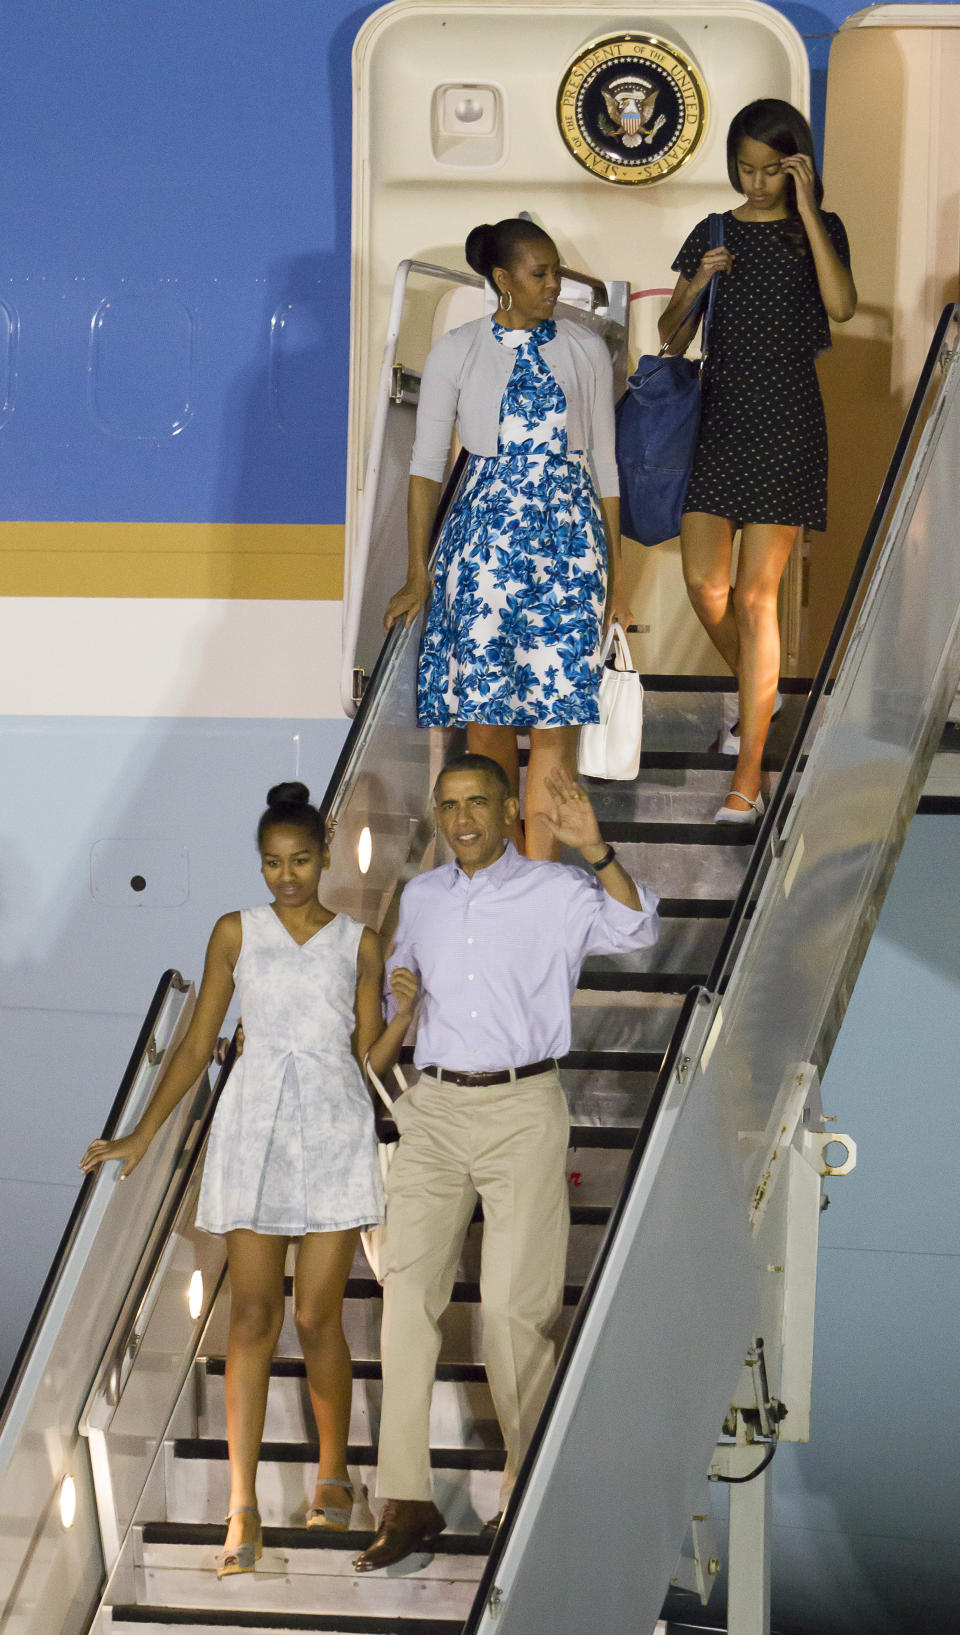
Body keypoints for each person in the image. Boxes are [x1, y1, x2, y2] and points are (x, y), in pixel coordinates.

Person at [80, 782, 414, 1578]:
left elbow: (369, 1062)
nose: (287, 876)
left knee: (318, 1315)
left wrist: (404, 1015)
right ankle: (243, 1504)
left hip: (334, 1127)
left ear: (324, 855)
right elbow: (198, 1045)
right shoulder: (235, 931)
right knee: (251, 1317)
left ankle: (334, 1475)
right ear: (260, 862)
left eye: (300, 861)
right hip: (253, 1126)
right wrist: (142, 1133)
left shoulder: (360, 943)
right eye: (273, 863)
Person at [352, 753, 659, 1573]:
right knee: (406, 1295)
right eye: (448, 804)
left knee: (511, 1315)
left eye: (477, 802)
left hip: (524, 1108)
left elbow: (637, 929)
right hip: (435, 1106)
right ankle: (406, 1500)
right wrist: (398, 1014)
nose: (461, 819)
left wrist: (595, 848)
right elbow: (390, 1002)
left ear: (505, 808)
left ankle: (528, 1490)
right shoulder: (419, 898)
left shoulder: (556, 892)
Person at [384, 216, 632, 861]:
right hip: (482, 548)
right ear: (502, 280)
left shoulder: (584, 349)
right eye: (539, 273)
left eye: (555, 272)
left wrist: (616, 579)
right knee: (487, 717)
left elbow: (607, 468)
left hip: (570, 548)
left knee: (556, 722)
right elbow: (425, 466)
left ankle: (539, 881)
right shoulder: (458, 350)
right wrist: (418, 572)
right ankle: (499, 874)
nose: (554, 284)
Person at [658, 99, 856, 824]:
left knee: (753, 596)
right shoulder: (712, 229)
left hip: (787, 423)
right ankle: (759, 701)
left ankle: (749, 775)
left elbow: (841, 307)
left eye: (772, 169)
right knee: (704, 583)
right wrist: (700, 278)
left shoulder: (819, 230)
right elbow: (670, 337)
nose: (757, 182)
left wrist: (806, 207)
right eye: (745, 168)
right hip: (718, 417)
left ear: (797, 165)